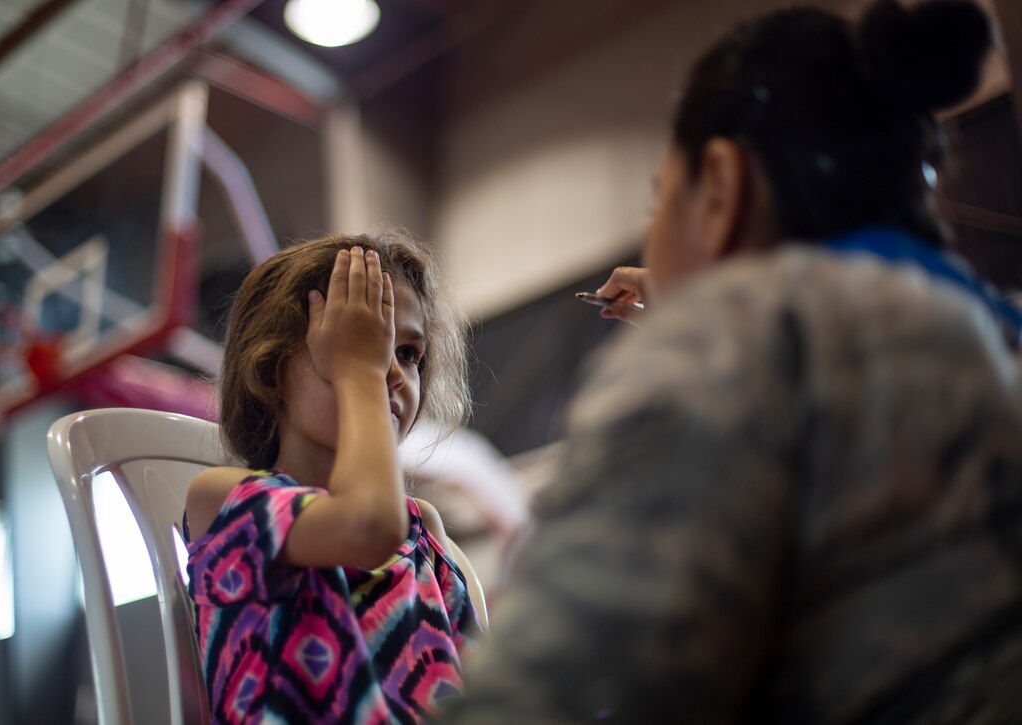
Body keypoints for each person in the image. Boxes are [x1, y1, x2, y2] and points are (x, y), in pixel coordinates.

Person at [442, 0, 1022, 722]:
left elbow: (541, 695)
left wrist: (713, 323)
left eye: (662, 199)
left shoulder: (736, 335)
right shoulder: (991, 330)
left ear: (719, 186)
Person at [182, 230, 485, 723]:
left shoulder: (421, 529)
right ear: (270, 368)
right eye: (357, 343)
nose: (388, 370)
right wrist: (358, 373)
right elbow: (364, 528)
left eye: (407, 354)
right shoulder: (224, 502)